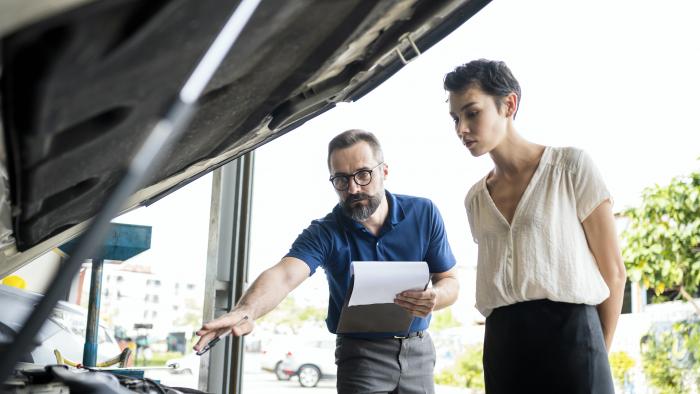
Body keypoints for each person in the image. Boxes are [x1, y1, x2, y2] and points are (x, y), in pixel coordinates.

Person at [194, 129, 459, 393]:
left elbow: (449, 282)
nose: (353, 188)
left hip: (419, 351)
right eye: (341, 180)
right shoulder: (325, 232)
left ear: (384, 172)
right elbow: (283, 276)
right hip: (361, 356)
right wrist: (245, 311)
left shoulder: (424, 213)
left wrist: (434, 296)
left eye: (363, 175)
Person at [443, 59, 626, 393]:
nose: (461, 129)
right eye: (455, 118)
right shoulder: (475, 199)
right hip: (503, 344)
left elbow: (613, 272)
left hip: (574, 337)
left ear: (509, 104)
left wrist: (597, 351)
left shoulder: (570, 168)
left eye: (472, 113)